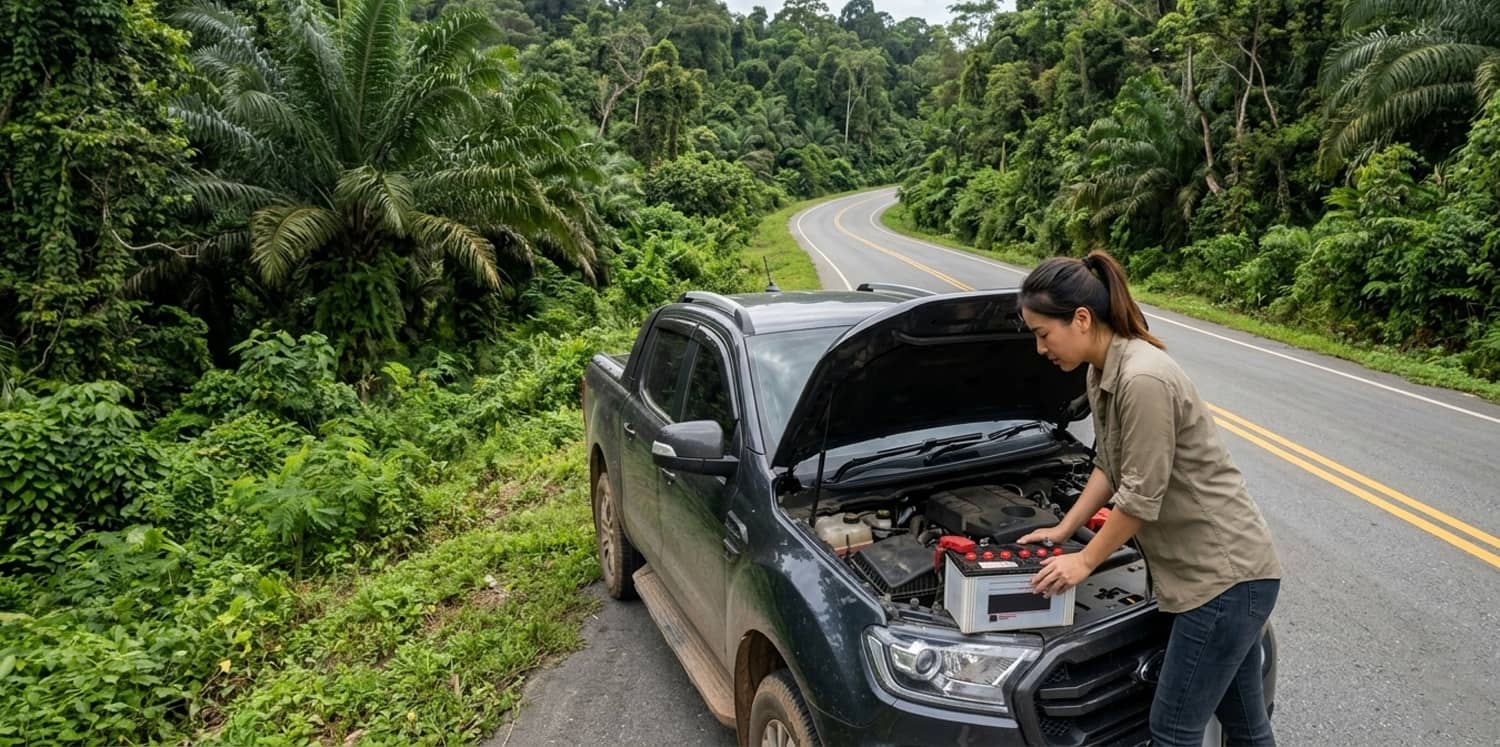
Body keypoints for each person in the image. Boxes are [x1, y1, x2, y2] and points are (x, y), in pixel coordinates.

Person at [1015, 250, 1283, 747]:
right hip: (1228, 578)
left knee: (1173, 729)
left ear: (1080, 319)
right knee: (1246, 728)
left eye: (1041, 333)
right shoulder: (1101, 374)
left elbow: (1141, 495)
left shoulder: (1142, 378)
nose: (1039, 348)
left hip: (1224, 580)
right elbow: (1109, 468)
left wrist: (1084, 562)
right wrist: (1061, 530)